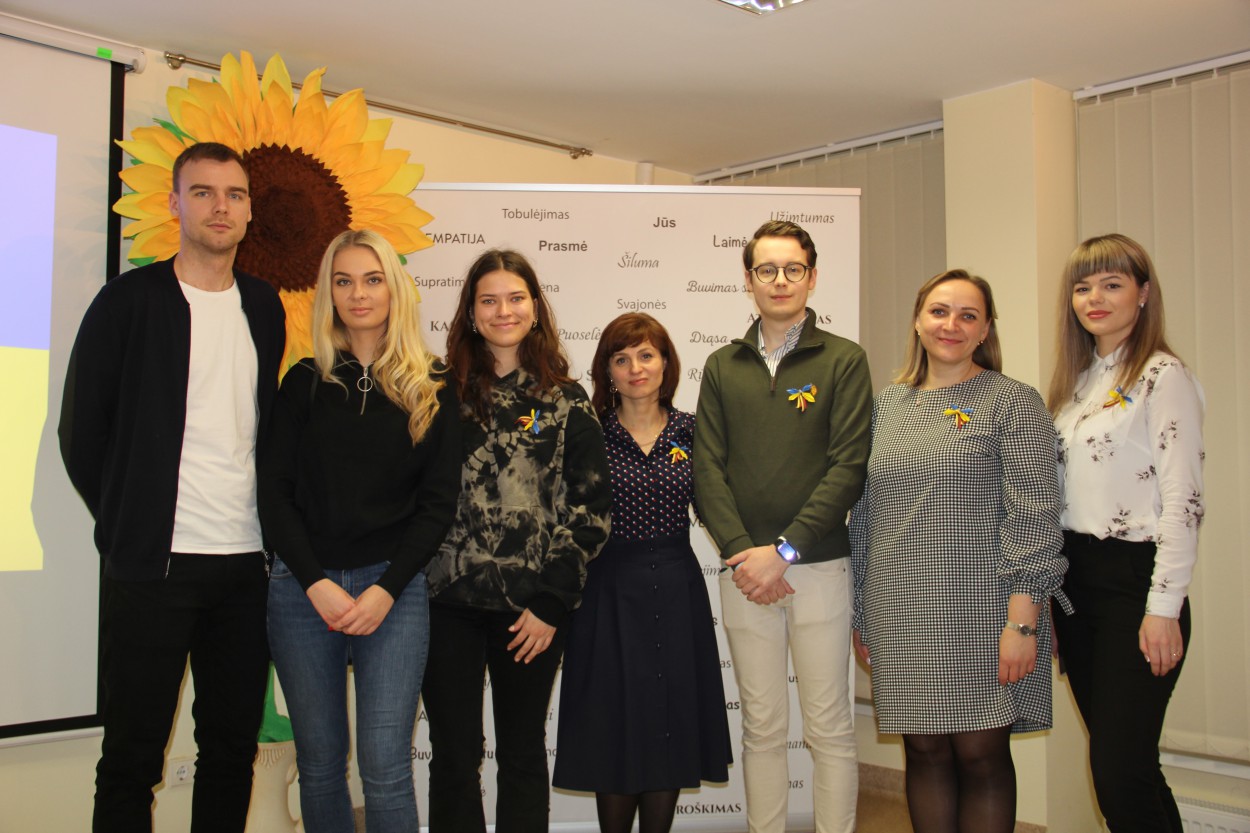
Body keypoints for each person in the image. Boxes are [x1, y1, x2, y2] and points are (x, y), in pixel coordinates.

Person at [59, 141, 286, 832]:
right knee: (132, 756)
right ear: (174, 203)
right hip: (153, 568)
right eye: (204, 192)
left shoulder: (264, 305)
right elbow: (81, 430)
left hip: (245, 567)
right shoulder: (127, 302)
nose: (221, 206)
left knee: (230, 751)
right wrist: (128, 519)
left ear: (249, 211)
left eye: (235, 194)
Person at [849, 269, 1066, 833]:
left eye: (968, 315)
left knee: (980, 754)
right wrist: (862, 613)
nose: (952, 325)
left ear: (985, 330)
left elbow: (1036, 513)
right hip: (899, 607)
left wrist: (1024, 619)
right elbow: (866, 517)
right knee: (923, 751)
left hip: (984, 609)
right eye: (940, 311)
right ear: (918, 322)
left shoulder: (1012, 401)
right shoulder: (887, 405)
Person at [258, 229, 461, 832]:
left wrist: (386, 589)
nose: (358, 294)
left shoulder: (433, 383)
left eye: (372, 280)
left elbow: (437, 504)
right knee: (320, 766)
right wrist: (314, 582)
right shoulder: (303, 381)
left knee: (386, 767)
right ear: (329, 292)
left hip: (392, 591)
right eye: (343, 281)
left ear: (394, 288)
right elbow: (273, 494)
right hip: (303, 591)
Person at [423, 248, 612, 833]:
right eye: (489, 300)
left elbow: (590, 509)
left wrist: (552, 600)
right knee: (454, 756)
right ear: (470, 312)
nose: (503, 311)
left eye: (515, 298)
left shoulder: (567, 399)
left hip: (531, 611)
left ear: (534, 307)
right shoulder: (436, 391)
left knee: (523, 753)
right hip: (444, 603)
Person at [692, 220, 871, 833]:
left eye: (793, 269)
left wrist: (785, 551)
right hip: (744, 572)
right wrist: (746, 553)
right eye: (766, 270)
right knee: (762, 727)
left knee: (829, 728)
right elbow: (707, 470)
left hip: (818, 567)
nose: (780, 280)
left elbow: (848, 466)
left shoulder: (844, 359)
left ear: (812, 276)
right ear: (749, 280)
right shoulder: (722, 366)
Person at [1047, 234, 1204, 833]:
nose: (1095, 298)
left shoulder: (1163, 376)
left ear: (1142, 294)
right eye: (1083, 287)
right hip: (1076, 586)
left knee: (1118, 775)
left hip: (1135, 587)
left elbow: (1183, 502)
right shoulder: (1078, 383)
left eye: (1111, 284)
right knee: (1132, 770)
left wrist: (1163, 608)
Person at [553, 313, 732, 833]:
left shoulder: (693, 430)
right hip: (607, 592)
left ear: (666, 363)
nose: (636, 368)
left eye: (647, 355)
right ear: (607, 370)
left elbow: (719, 504)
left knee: (667, 721)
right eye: (622, 358)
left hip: (677, 590)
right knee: (614, 722)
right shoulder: (589, 431)